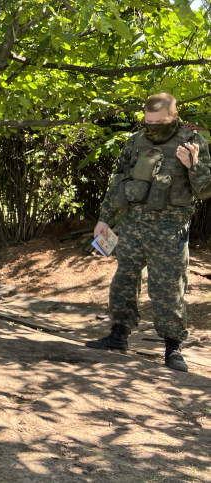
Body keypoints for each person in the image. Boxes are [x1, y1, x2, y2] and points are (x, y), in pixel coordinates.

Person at [86, 93, 211, 372]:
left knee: (168, 288)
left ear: (175, 117)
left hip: (169, 227)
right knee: (124, 279)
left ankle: (172, 346)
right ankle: (119, 334)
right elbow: (119, 181)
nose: (153, 126)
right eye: (149, 121)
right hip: (133, 223)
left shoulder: (193, 142)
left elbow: (204, 191)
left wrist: (193, 166)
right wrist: (105, 220)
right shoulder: (135, 141)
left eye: (160, 122)